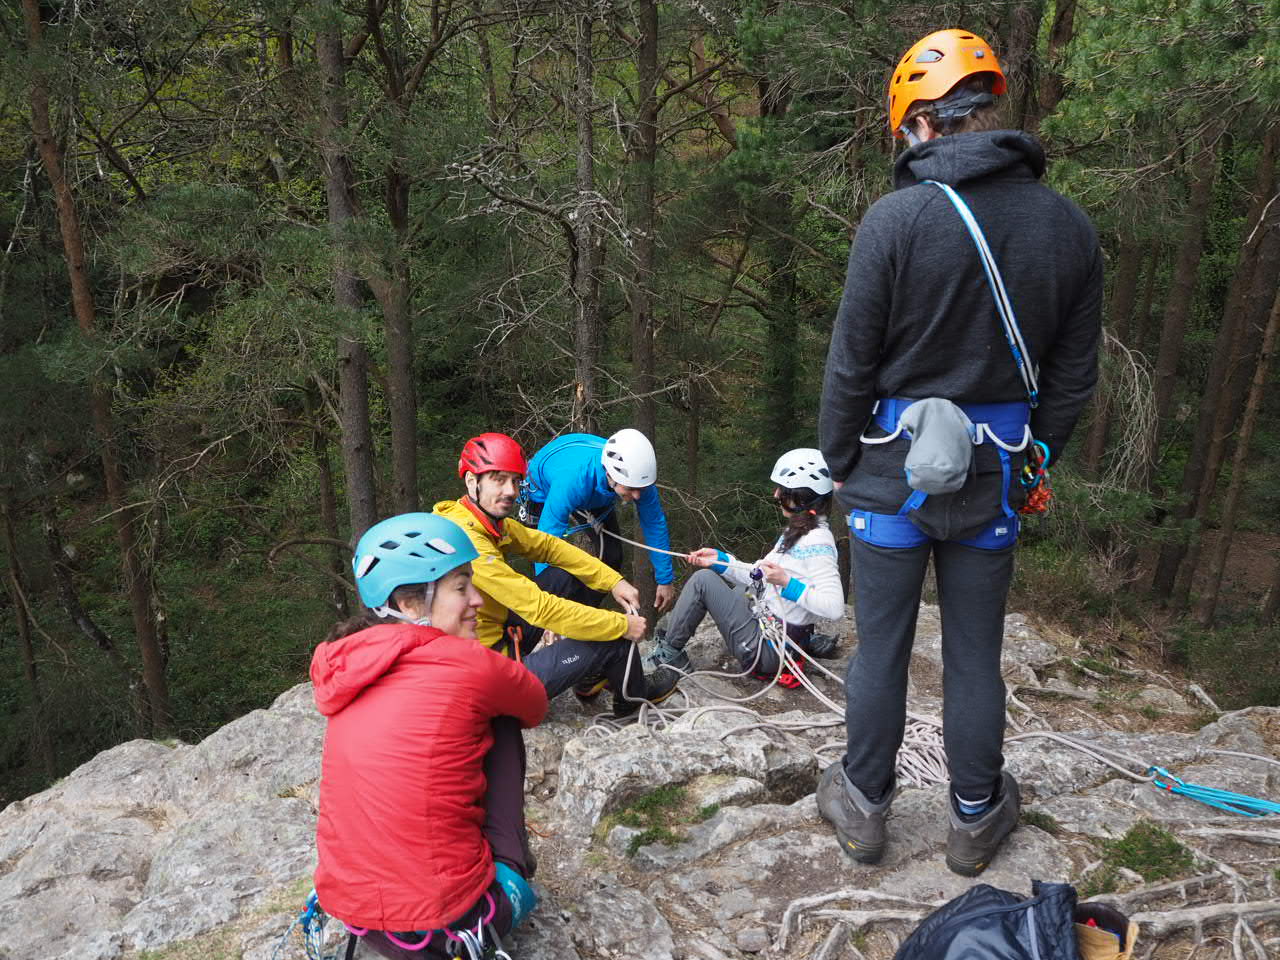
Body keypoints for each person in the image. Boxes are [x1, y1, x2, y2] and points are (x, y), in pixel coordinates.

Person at [816, 28, 1101, 876]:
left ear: (920, 123)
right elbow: (1073, 376)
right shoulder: (1068, 227)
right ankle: (975, 817)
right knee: (975, 652)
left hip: (887, 476)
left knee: (882, 647)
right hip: (993, 478)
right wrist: (1032, 460)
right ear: (991, 113)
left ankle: (865, 806)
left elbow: (851, 363)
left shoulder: (896, 220)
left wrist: (839, 460)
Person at [312, 512, 547, 957]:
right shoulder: (472, 665)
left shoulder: (348, 665)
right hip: (450, 924)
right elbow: (534, 704)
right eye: (461, 587)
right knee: (502, 715)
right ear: (410, 605)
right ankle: (512, 867)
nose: (477, 600)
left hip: (359, 916)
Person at [434, 432, 678, 717]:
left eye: (515, 481)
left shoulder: (481, 521)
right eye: (498, 480)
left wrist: (614, 581)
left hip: (497, 641)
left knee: (565, 576)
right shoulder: (470, 542)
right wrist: (620, 624)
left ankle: (589, 669)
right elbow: (539, 607)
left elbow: (549, 547)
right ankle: (632, 702)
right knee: (614, 639)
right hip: (491, 682)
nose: (510, 491)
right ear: (471, 481)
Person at [648, 449, 845, 684]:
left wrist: (786, 583)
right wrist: (720, 560)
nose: (776, 494)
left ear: (801, 497)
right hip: (774, 638)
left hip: (767, 653)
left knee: (702, 581)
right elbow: (759, 576)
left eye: (782, 490)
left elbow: (834, 607)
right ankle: (802, 641)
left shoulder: (817, 542)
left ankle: (670, 653)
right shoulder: (800, 531)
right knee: (742, 590)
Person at [522, 428, 677, 613]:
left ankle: (583, 616)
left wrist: (665, 580)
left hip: (594, 489)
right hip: (541, 486)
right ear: (610, 474)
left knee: (612, 557)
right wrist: (546, 604)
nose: (637, 495)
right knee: (547, 566)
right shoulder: (572, 482)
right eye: (630, 489)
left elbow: (654, 523)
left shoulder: (639, 480)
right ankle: (547, 614)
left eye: (640, 489)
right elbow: (545, 543)